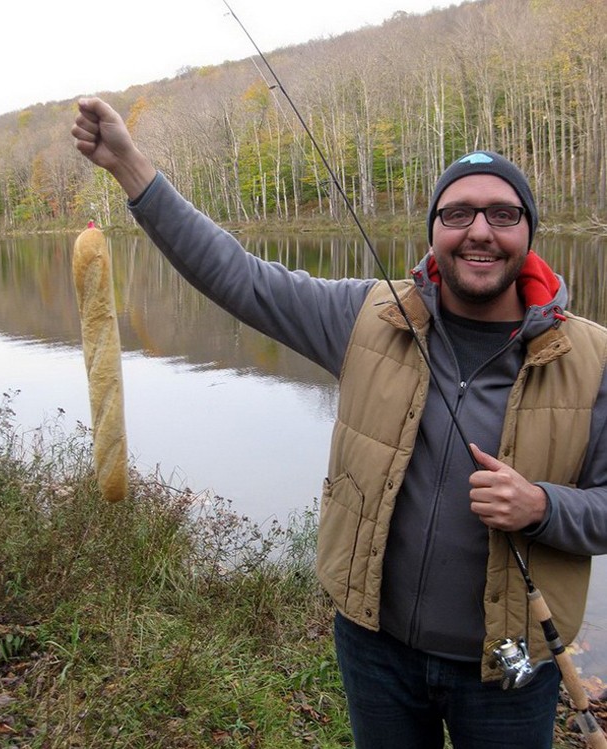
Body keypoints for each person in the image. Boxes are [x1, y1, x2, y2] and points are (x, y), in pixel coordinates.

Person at [71, 97, 607, 749]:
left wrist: (540, 505)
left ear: (529, 231)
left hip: (509, 671)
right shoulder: (367, 318)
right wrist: (130, 167)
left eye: (502, 213)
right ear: (433, 229)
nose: (480, 231)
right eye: (457, 213)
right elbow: (239, 278)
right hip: (375, 652)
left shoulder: (592, 358)